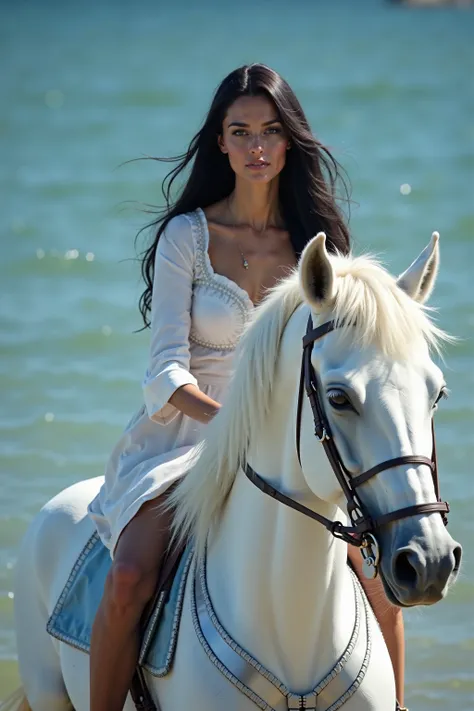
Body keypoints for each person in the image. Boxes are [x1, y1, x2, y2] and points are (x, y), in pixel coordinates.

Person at [88, 63, 406, 711]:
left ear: (290, 141)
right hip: (184, 441)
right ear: (221, 144)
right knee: (127, 578)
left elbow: (339, 363)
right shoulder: (188, 237)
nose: (257, 146)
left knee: (379, 580)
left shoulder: (317, 246)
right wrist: (233, 422)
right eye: (241, 132)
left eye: (270, 131)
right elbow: (166, 372)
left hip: (286, 448)